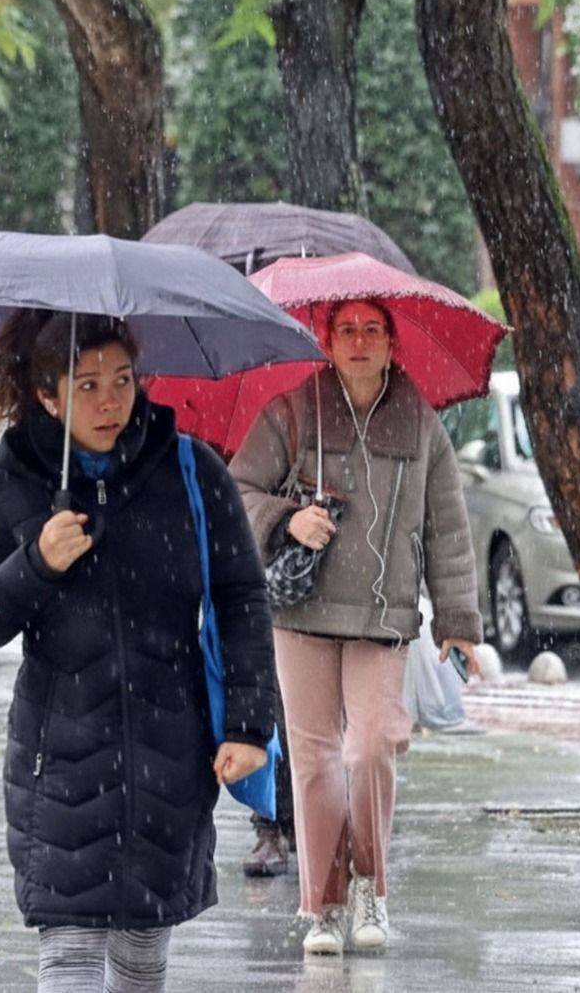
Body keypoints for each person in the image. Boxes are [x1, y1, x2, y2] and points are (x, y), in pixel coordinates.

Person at [0, 311, 276, 992]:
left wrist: (249, 726)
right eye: (87, 382)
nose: (109, 401)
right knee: (68, 949)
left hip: (170, 755)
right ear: (46, 392)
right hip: (58, 756)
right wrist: (35, 562)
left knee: (139, 954)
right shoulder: (14, 480)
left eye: (122, 380)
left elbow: (241, 596)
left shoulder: (191, 471)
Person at [228, 298, 485, 956]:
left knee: (369, 748)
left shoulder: (421, 424)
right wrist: (288, 517)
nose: (361, 341)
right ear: (328, 338)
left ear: (393, 341)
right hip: (301, 614)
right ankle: (324, 905)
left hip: (384, 617)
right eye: (348, 329)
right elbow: (238, 489)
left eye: (373, 329)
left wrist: (458, 623)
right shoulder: (293, 409)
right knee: (313, 762)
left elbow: (448, 530)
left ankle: (369, 882)